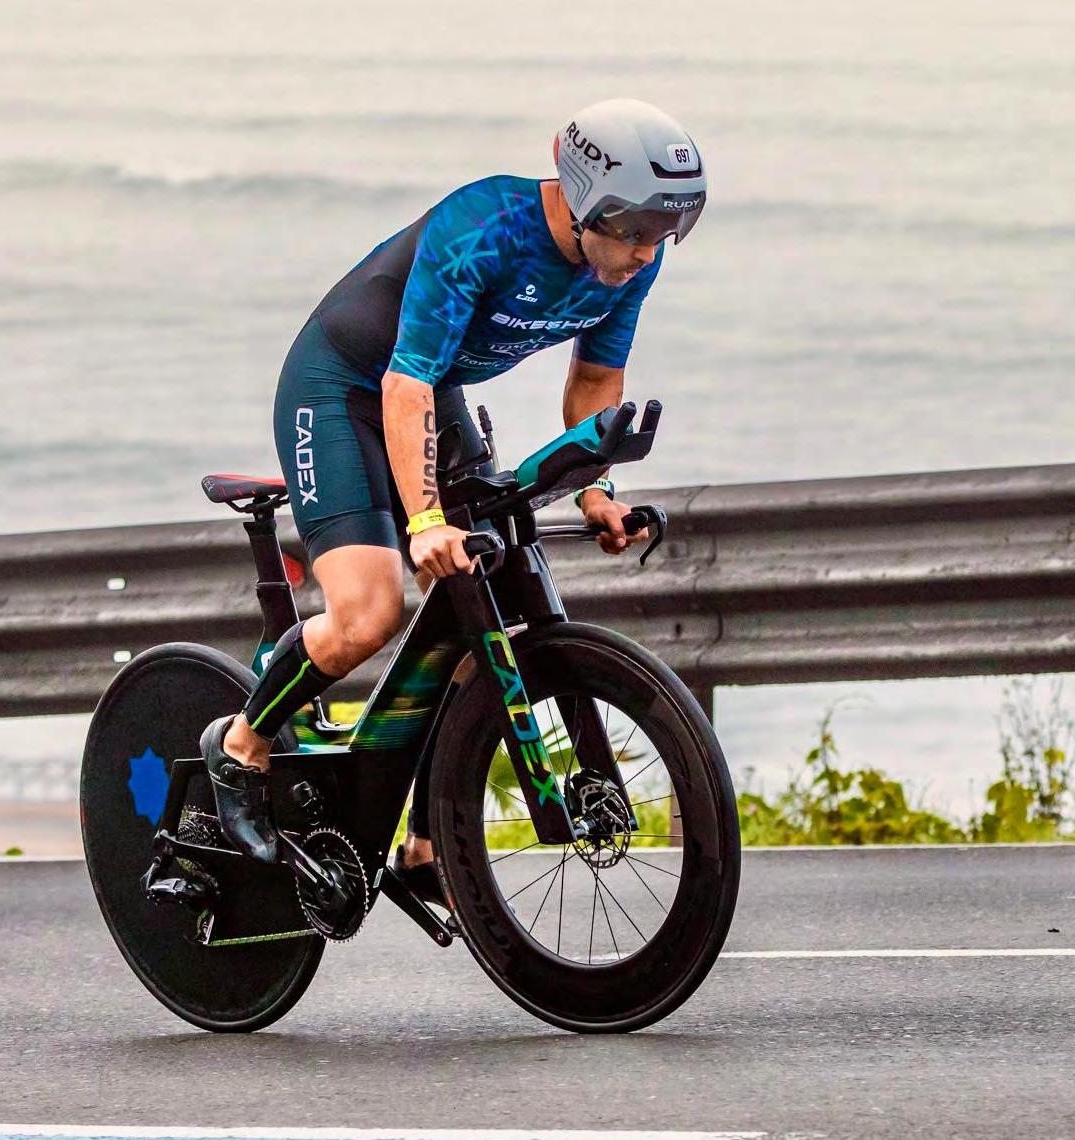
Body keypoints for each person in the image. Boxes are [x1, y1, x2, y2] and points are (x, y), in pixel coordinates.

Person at [200, 97, 707, 903]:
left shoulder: (627, 264)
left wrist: (598, 494)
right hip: (344, 389)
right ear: (587, 201)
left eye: (666, 232)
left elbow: (595, 384)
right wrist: (427, 521)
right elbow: (405, 383)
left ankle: (425, 844)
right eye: (637, 231)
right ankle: (240, 746)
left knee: (481, 608)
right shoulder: (483, 227)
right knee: (369, 615)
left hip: (433, 396)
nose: (648, 252)